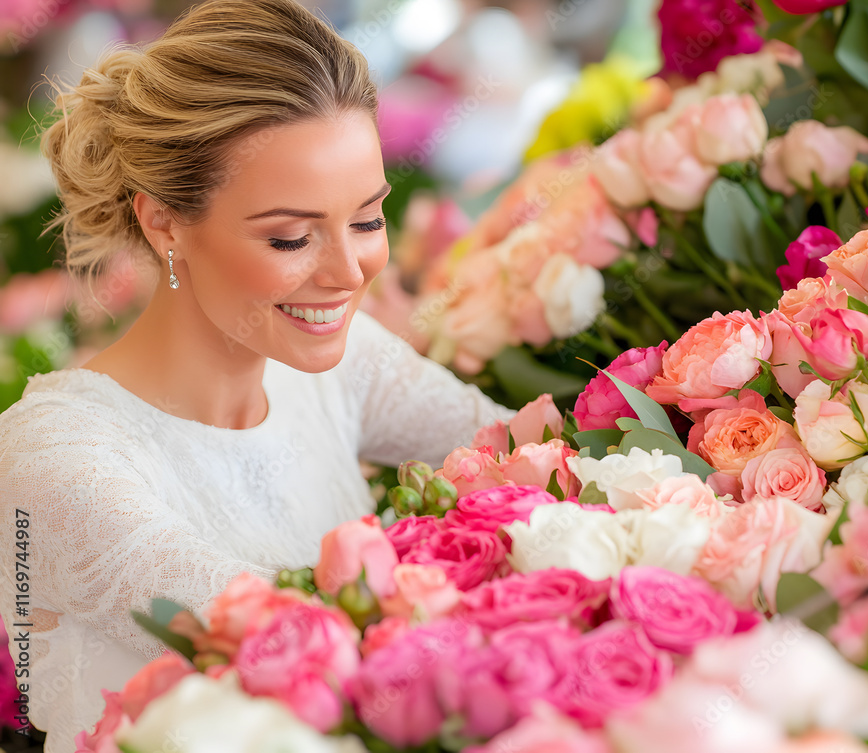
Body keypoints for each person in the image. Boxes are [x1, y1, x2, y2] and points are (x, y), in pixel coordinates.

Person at [0, 1, 515, 750]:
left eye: (368, 219)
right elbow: (301, 645)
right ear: (165, 223)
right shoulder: (58, 462)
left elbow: (538, 465)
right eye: (291, 236)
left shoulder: (346, 361)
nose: (348, 272)